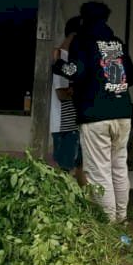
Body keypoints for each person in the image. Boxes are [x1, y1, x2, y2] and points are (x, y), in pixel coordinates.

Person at [53, 1, 133, 223]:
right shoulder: (117, 43)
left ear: (83, 19)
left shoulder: (84, 42)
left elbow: (76, 72)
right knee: (119, 167)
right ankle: (121, 217)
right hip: (122, 113)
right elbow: (132, 78)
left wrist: (57, 64)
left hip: (95, 115)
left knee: (99, 171)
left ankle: (107, 221)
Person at [50, 16, 84, 184]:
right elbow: (62, 94)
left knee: (76, 168)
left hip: (70, 125)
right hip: (65, 125)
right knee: (65, 172)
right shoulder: (63, 56)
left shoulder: (68, 56)